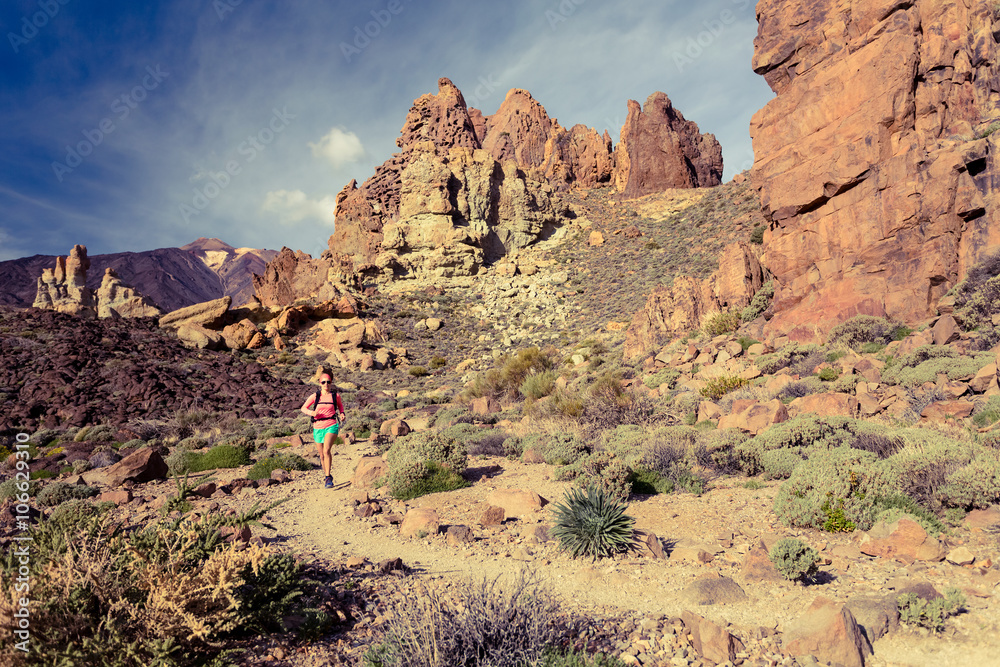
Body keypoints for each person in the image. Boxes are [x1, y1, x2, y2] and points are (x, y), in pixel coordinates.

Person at [300, 365, 346, 488]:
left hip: (331, 425)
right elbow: (303, 408)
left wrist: (342, 414)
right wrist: (312, 413)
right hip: (317, 427)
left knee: (326, 450)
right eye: (323, 382)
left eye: (328, 382)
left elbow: (340, 406)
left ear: (331, 383)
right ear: (320, 383)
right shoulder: (315, 396)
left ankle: (328, 477)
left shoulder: (335, 396)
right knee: (321, 455)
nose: (326, 384)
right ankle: (327, 476)